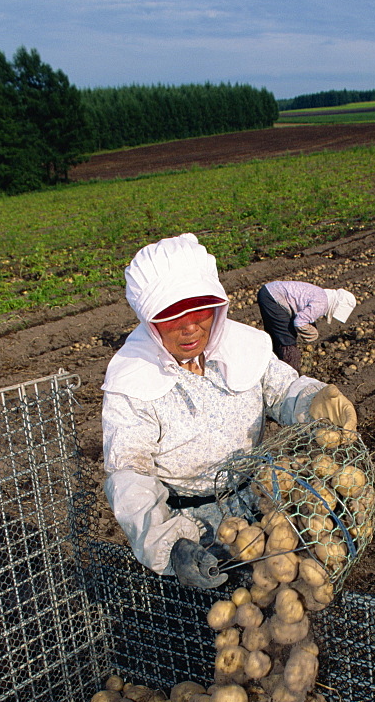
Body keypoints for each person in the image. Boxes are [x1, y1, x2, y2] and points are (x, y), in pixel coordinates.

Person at [101, 233, 357, 588]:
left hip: (258, 503)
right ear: (149, 318)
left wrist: (312, 397)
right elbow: (129, 474)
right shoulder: (132, 378)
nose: (190, 328)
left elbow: (282, 388)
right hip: (188, 524)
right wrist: (169, 545)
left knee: (276, 595)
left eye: (200, 311)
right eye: (172, 317)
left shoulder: (241, 344)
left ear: (217, 306)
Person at [257, 280, 357, 371]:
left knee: (276, 337)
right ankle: (290, 374)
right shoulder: (322, 304)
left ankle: (269, 366)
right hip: (273, 297)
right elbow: (299, 322)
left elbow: (303, 313)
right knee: (287, 340)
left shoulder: (322, 295)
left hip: (268, 292)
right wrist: (310, 333)